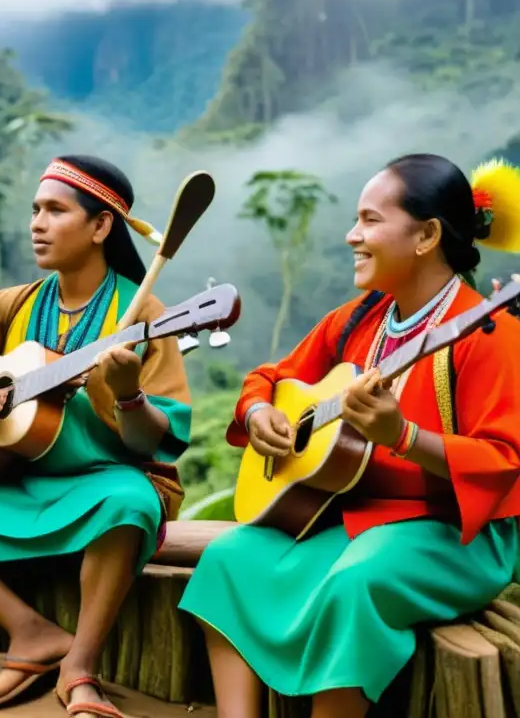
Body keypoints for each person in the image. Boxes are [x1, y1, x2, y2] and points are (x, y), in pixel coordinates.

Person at [178, 154, 520, 718]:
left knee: (354, 583)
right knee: (229, 558)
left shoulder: (488, 331)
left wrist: (402, 435)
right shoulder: (362, 319)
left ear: (427, 235)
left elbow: (504, 460)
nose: (351, 235)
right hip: (353, 514)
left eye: (369, 220)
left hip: (452, 532)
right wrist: (261, 410)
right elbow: (271, 377)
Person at [0, 154, 193, 718]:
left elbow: (153, 442)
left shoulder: (145, 314)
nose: (37, 223)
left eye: (55, 210)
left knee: (128, 501)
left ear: (101, 226)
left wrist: (128, 395)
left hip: (107, 483)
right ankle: (31, 633)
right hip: (21, 482)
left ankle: (80, 667)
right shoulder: (20, 302)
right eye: (35, 210)